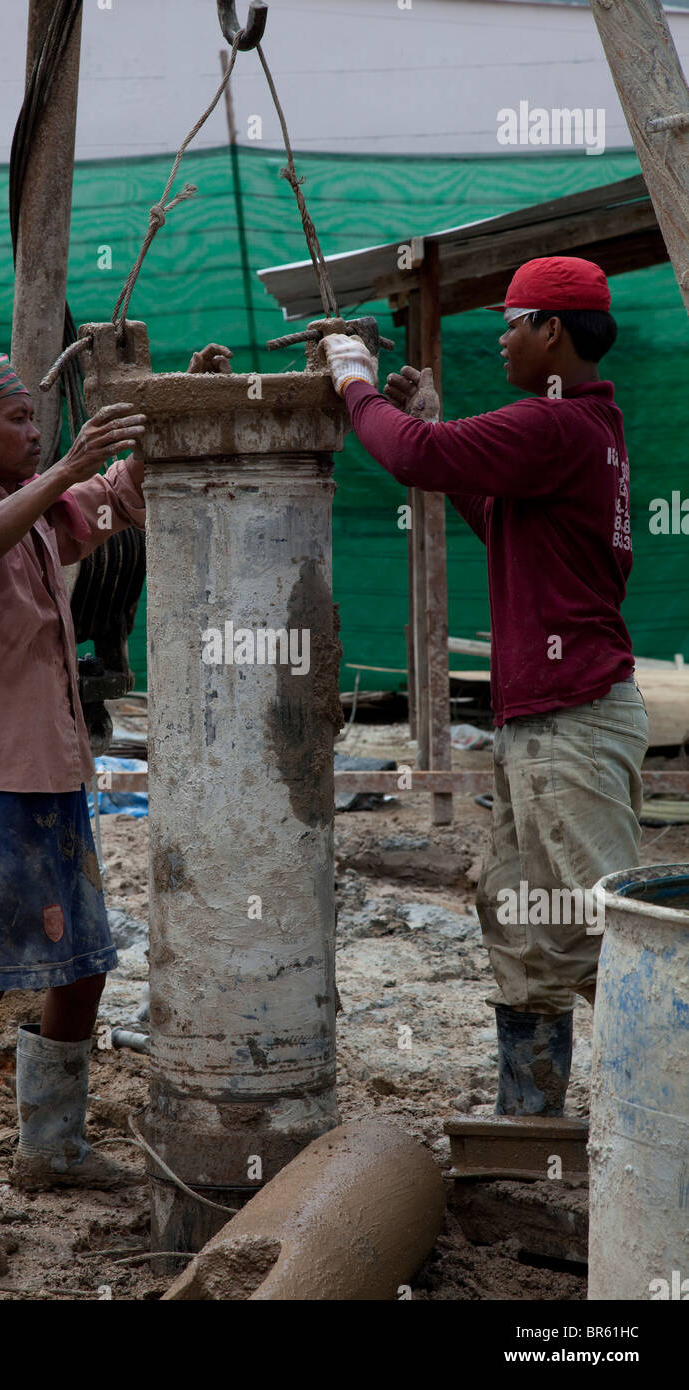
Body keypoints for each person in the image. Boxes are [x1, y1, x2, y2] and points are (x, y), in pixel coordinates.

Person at [0, 342, 231, 1263]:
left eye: (34, 420)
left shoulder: (43, 515)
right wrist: (64, 471)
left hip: (53, 777)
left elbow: (123, 494)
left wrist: (179, 408)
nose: (33, 429)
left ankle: (52, 1147)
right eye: (14, 420)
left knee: (84, 960)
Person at [320, 256, 648, 1117]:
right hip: (546, 722)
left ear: (552, 332)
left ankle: (663, 1125)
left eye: (511, 321)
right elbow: (489, 509)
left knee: (619, 940)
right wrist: (429, 420)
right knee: (524, 923)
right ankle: (528, 1125)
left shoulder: (557, 426)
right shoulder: (581, 426)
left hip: (569, 721)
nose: (500, 337)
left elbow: (412, 457)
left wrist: (356, 384)